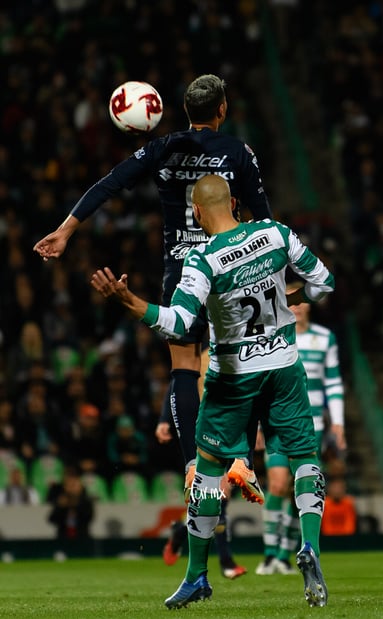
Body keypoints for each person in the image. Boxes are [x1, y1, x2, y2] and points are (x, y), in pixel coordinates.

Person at [90, 175, 334, 608]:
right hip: (283, 365)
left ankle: (197, 576)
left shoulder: (203, 259)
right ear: (236, 203)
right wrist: (284, 293)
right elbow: (323, 283)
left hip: (233, 378)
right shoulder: (275, 233)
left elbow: (180, 324)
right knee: (304, 455)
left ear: (197, 213)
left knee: (205, 472)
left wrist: (130, 302)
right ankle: (311, 546)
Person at [33, 73, 272, 504]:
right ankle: (241, 460)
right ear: (222, 109)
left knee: (184, 368)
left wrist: (66, 231)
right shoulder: (238, 152)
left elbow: (109, 183)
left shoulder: (161, 149)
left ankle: (193, 465)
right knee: (241, 367)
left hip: (181, 270)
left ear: (183, 112)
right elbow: (264, 218)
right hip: (231, 265)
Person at [256, 281, 346, 576]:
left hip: (312, 424)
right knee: (278, 483)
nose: (297, 307)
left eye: (301, 302)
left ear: (308, 305)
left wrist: (339, 423)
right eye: (291, 302)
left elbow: (332, 384)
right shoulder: (273, 337)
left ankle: (286, 554)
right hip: (276, 421)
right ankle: (270, 554)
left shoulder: (325, 338)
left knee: (301, 487)